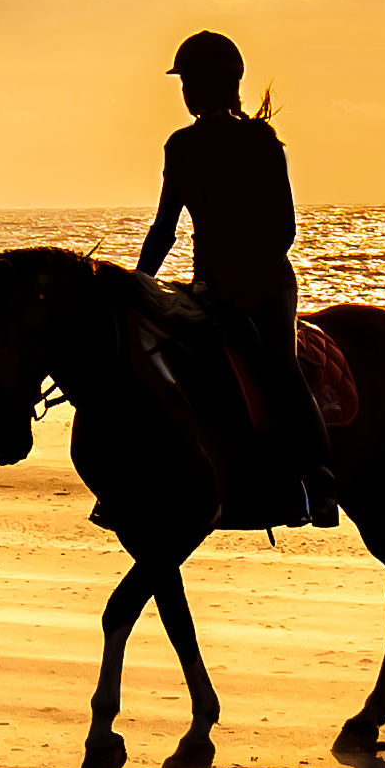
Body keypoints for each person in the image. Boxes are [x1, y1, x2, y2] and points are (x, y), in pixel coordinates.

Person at [136, 29, 327, 520]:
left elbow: (282, 230)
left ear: (217, 82)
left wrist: (245, 285)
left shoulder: (260, 143)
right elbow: (164, 229)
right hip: (210, 288)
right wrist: (137, 284)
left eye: (191, 81)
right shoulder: (178, 146)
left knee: (280, 366)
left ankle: (315, 481)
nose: (185, 91)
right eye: (183, 83)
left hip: (265, 285)